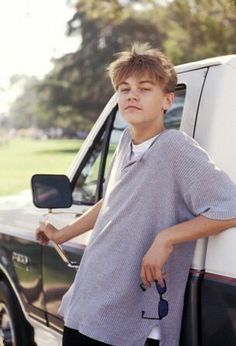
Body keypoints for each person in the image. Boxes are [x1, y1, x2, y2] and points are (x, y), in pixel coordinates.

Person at [36, 43, 236, 346]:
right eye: (124, 88)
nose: (131, 95)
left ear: (167, 100)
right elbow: (112, 200)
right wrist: (63, 234)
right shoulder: (126, 144)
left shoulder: (175, 148)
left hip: (130, 319)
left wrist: (166, 238)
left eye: (144, 88)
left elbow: (229, 207)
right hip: (88, 303)